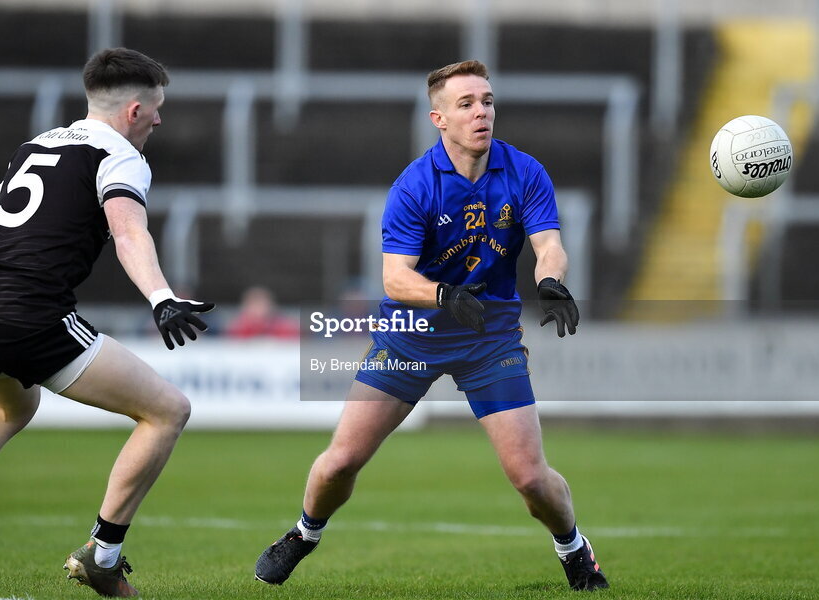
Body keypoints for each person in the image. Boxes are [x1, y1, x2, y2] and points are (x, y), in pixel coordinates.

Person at [254, 60, 608, 592]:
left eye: (487, 100)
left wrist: (552, 282)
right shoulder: (415, 186)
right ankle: (304, 534)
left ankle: (574, 550)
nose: (481, 112)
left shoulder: (525, 172)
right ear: (438, 118)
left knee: (531, 478)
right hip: (410, 337)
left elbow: (548, 245)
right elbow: (395, 278)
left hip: (490, 340)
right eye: (466, 104)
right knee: (339, 464)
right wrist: (444, 296)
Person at [0, 48, 213, 597]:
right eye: (156, 108)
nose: (160, 119)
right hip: (29, 314)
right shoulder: (122, 156)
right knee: (167, 411)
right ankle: (103, 556)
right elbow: (130, 233)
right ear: (133, 110)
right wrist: (162, 298)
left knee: (13, 406)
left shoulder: (36, 144)